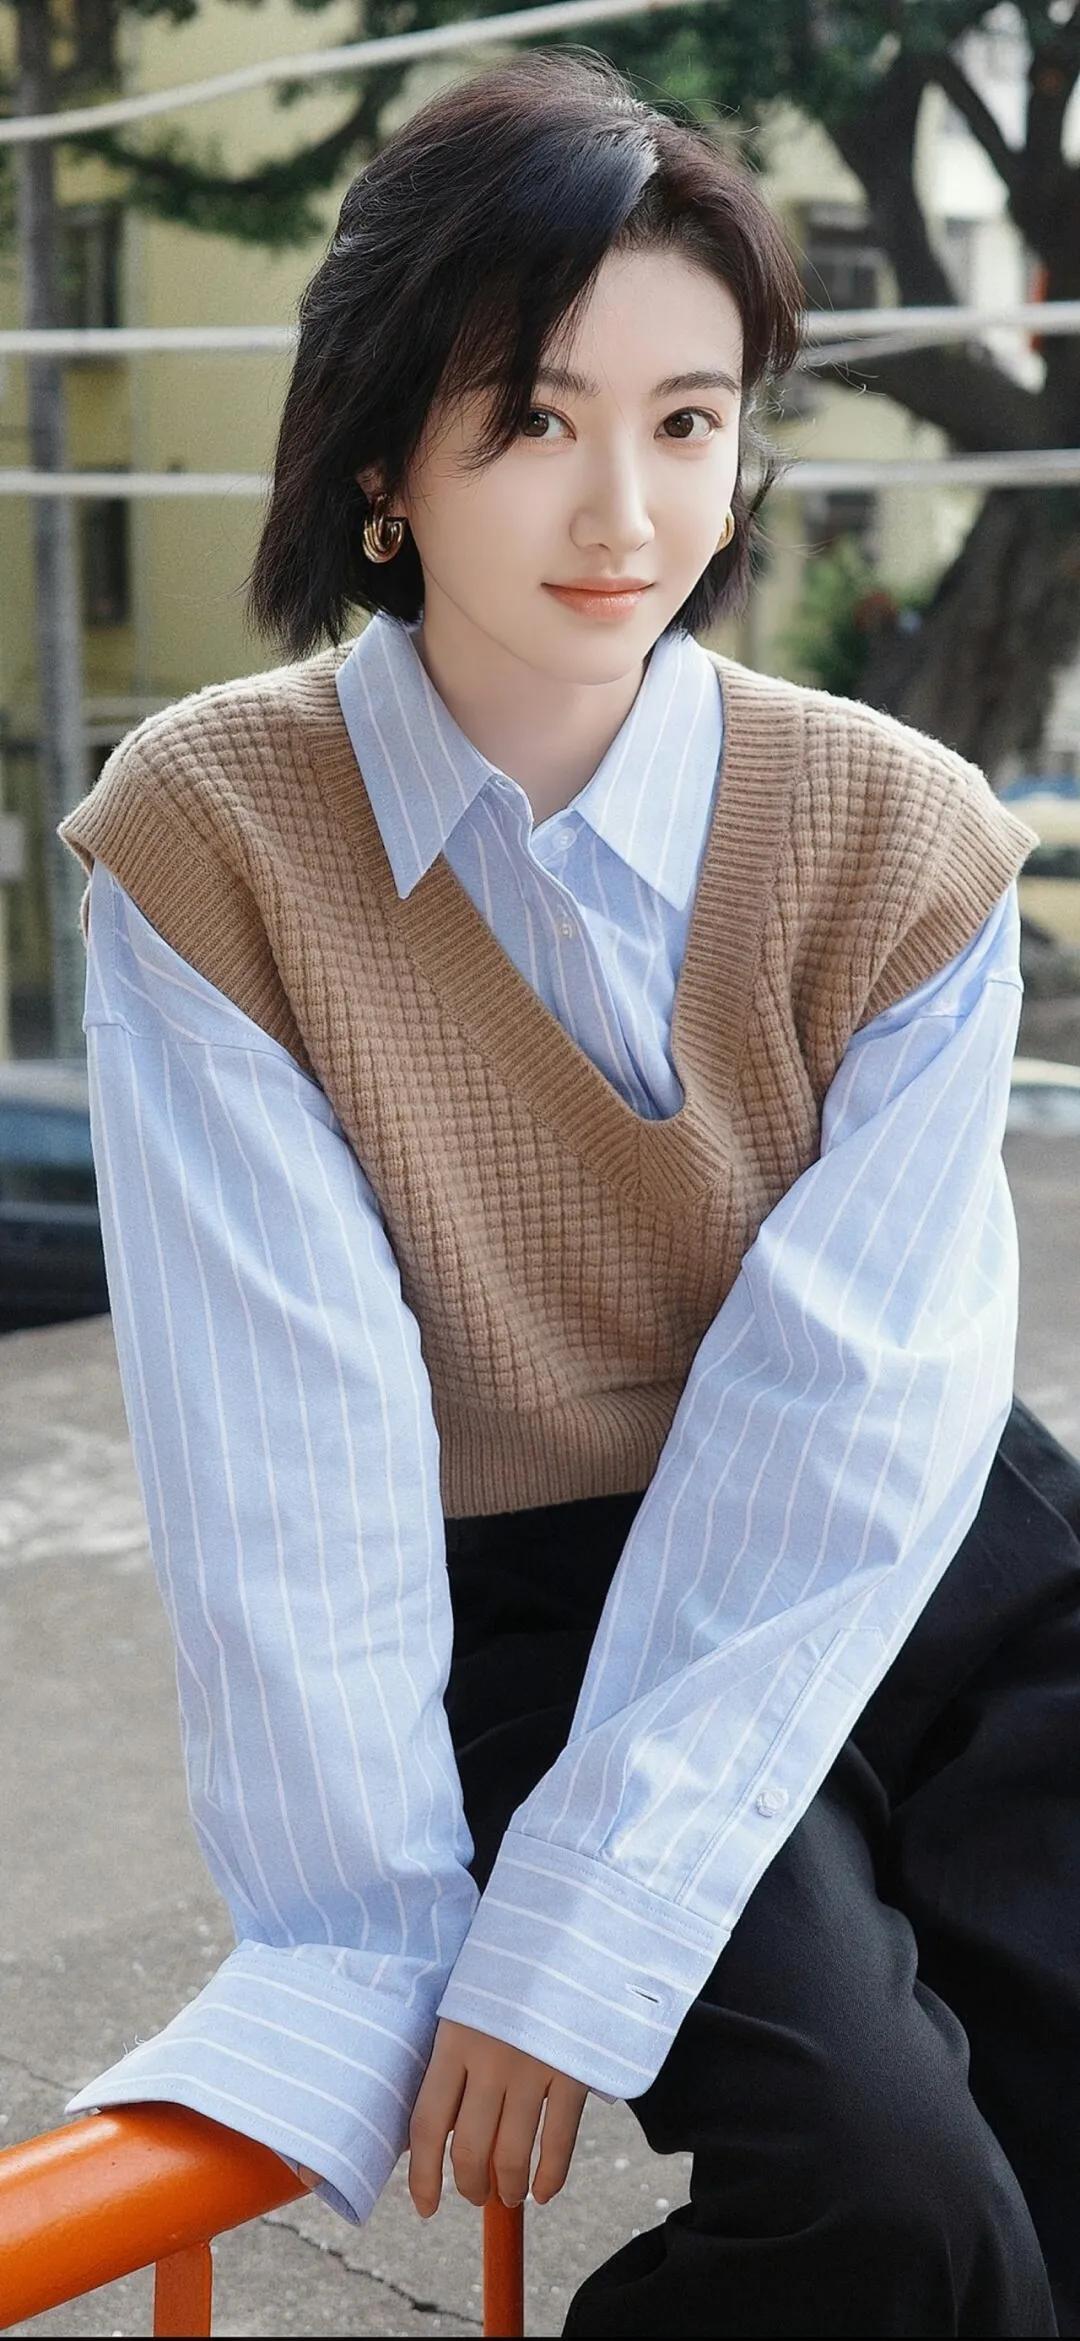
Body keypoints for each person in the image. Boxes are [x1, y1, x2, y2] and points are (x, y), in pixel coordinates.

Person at [55, 47, 1080, 2339]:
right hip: (533, 1590)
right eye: (534, 416)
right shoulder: (218, 835)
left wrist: (589, 1921)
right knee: (892, 2207)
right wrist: (413, 1928)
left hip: (929, 1542)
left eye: (690, 419)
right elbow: (287, 1443)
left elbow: (850, 1407)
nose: (627, 504)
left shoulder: (903, 829)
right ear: (383, 458)